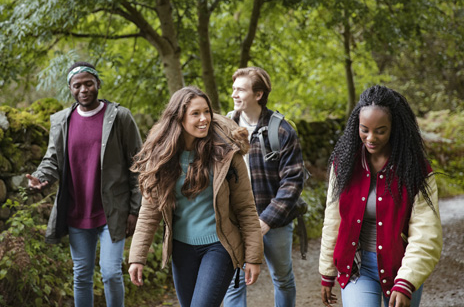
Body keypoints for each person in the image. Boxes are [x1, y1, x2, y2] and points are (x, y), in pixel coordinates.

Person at [127, 86, 263, 307]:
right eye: (196, 113)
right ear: (178, 118)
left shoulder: (226, 153)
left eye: (207, 112)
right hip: (182, 249)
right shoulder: (162, 156)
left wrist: (253, 257)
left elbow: (246, 208)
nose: (204, 119)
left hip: (220, 246)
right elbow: (149, 212)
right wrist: (137, 257)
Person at [26, 62, 142, 307]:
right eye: (76, 85)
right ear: (70, 88)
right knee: (81, 275)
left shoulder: (119, 117)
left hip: (112, 211)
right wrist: (40, 177)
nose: (83, 89)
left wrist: (135, 209)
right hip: (77, 212)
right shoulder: (61, 121)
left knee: (110, 274)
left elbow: (138, 164)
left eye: (88, 83)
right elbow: (52, 160)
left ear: (98, 84)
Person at [319, 85, 443, 307]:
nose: (371, 138)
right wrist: (327, 272)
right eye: (364, 129)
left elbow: (426, 233)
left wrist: (406, 281)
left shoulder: (417, 171)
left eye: (380, 130)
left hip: (401, 267)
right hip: (357, 268)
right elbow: (333, 219)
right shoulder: (344, 165)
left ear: (395, 128)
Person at [224, 67, 305, 307]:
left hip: (275, 222)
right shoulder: (225, 128)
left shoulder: (281, 130)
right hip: (235, 219)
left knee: (282, 279)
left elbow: (293, 182)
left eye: (240, 89)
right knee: (234, 281)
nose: (234, 95)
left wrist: (267, 220)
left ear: (258, 94)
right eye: (233, 89)